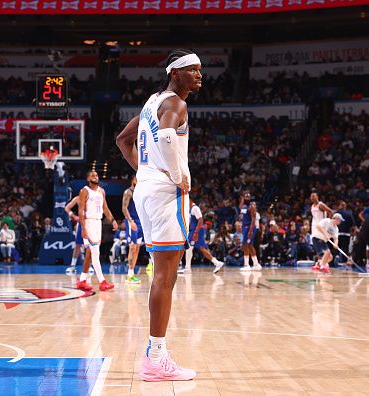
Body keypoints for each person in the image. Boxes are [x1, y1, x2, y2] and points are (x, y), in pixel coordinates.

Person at [116, 48, 201, 381]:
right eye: (192, 70)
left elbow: (123, 140)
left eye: (200, 70)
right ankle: (155, 357)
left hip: (145, 191)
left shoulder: (150, 102)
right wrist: (178, 175)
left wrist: (146, 169)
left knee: (162, 273)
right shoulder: (175, 104)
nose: (199, 75)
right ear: (175, 73)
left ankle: (156, 354)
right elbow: (167, 135)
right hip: (165, 194)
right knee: (166, 275)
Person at [76, 170, 118, 292]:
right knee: (94, 252)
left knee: (91, 253)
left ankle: (82, 280)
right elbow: (80, 211)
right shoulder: (84, 191)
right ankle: (102, 281)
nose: (95, 176)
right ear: (88, 179)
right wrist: (83, 228)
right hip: (88, 222)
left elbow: (105, 208)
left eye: (96, 175)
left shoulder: (101, 191)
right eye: (92, 175)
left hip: (97, 223)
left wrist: (113, 220)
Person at [179, 200, 224, 274]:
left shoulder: (195, 208)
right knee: (197, 248)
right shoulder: (190, 209)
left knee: (190, 248)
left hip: (197, 230)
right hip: (195, 230)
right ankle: (217, 263)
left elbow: (200, 220)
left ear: (189, 200)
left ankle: (187, 268)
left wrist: (196, 233)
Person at [122, 176, 143, 284]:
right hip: (132, 221)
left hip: (140, 222)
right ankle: (129, 275)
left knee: (137, 248)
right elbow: (124, 208)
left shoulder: (140, 192)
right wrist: (130, 221)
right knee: (132, 247)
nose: (138, 180)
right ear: (133, 179)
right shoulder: (128, 192)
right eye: (136, 178)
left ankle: (132, 274)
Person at [310, 192, 334, 271]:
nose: (313, 198)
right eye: (311, 197)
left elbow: (331, 212)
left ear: (317, 197)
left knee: (323, 248)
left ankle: (322, 264)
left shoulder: (321, 205)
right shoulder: (312, 206)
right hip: (315, 228)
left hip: (321, 228)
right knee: (318, 247)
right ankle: (320, 263)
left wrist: (328, 222)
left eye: (314, 196)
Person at [239, 192, 261, 271]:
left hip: (250, 227)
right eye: (245, 197)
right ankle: (256, 264)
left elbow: (253, 220)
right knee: (249, 245)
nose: (247, 198)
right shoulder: (244, 206)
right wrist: (242, 198)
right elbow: (240, 206)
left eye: (248, 196)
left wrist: (250, 231)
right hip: (245, 227)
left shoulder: (252, 206)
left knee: (245, 244)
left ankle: (246, 264)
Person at [64, 196, 85, 275]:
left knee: (90, 245)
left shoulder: (93, 197)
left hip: (91, 222)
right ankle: (72, 266)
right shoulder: (78, 198)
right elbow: (67, 208)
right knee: (78, 245)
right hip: (81, 223)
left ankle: (89, 266)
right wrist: (73, 215)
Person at [336, 201, 356, 267]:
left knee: (336, 247)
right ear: (345, 206)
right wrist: (353, 233)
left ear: (339, 206)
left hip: (337, 234)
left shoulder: (335, 214)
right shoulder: (348, 214)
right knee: (345, 248)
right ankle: (344, 262)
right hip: (346, 234)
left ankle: (334, 261)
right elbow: (353, 225)